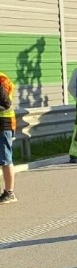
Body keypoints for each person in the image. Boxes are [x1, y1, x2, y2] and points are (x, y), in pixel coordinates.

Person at [0, 71, 17, 204]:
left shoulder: (1, 79)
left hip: (4, 124)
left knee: (5, 159)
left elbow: (6, 103)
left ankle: (9, 192)